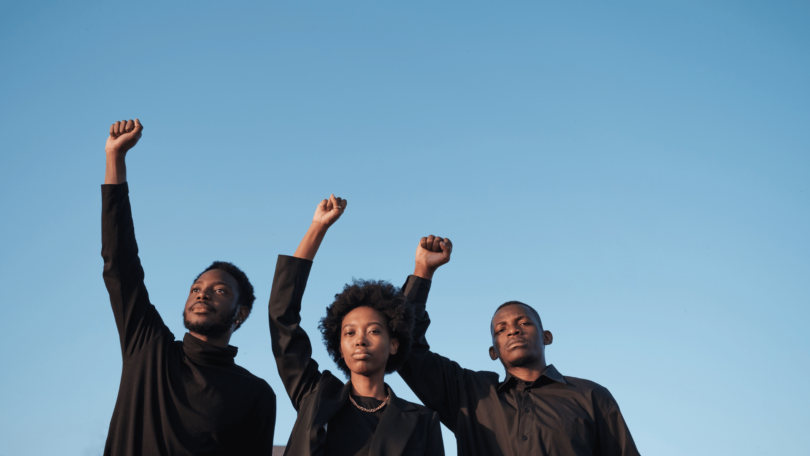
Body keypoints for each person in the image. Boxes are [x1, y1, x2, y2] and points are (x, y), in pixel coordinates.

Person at [100, 119, 276, 456]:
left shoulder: (255, 395)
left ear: (240, 313)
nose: (203, 293)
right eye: (196, 288)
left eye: (220, 290)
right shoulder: (149, 348)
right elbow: (120, 263)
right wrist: (115, 159)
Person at [398, 236, 641, 456]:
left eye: (524, 323)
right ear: (493, 352)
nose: (513, 330)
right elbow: (406, 350)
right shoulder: (469, 394)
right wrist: (423, 271)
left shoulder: (590, 396)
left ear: (547, 336)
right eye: (500, 330)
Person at [268, 195, 444, 456]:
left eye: (374, 331)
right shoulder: (315, 397)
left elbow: (407, 317)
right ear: (339, 347)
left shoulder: (421, 420)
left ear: (394, 344)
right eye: (349, 333)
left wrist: (423, 270)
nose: (360, 340)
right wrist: (318, 227)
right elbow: (282, 316)